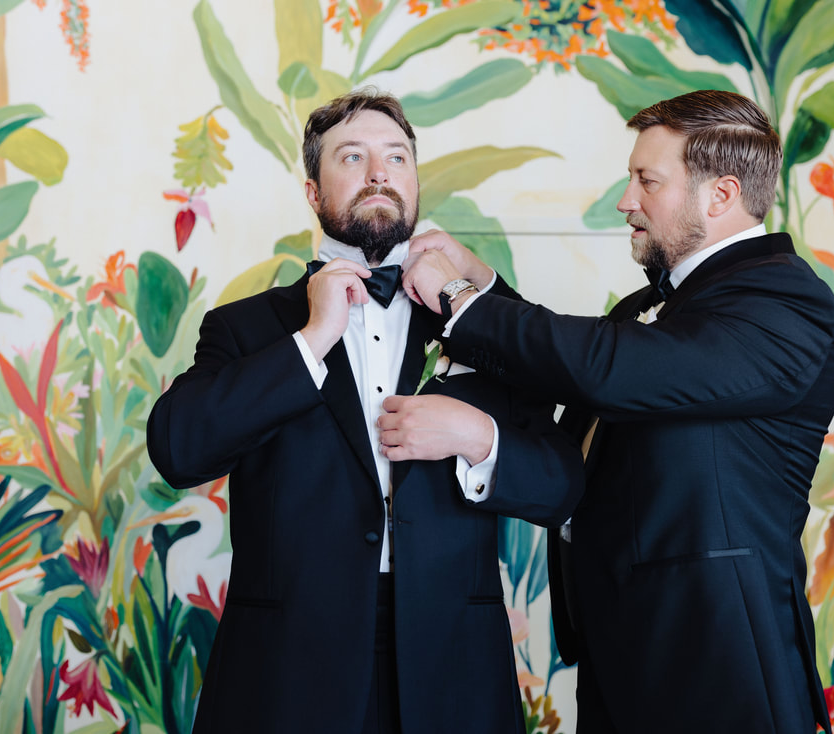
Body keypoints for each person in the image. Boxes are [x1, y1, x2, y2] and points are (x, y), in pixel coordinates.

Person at [400, 89, 834, 734]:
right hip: (624, 652)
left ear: (720, 195)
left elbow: (615, 370)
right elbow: (593, 374)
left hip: (718, 666)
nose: (625, 200)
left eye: (647, 180)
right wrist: (488, 291)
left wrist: (463, 299)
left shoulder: (785, 298)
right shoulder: (648, 315)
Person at [146, 88, 584, 734]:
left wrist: (473, 436)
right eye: (353, 157)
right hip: (288, 678)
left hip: (454, 673)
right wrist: (311, 340)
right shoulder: (248, 330)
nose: (380, 172)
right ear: (312, 194)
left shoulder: (482, 325)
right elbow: (178, 449)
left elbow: (561, 485)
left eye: (397, 157)